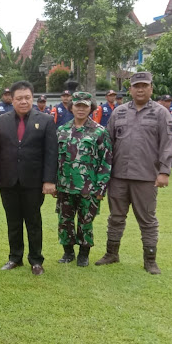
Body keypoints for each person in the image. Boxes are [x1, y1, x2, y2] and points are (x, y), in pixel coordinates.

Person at [95, 72, 172, 274]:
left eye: (144, 86)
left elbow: (168, 143)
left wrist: (164, 172)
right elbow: (108, 142)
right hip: (119, 176)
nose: (140, 89)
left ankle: (150, 260)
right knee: (115, 217)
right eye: (136, 86)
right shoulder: (119, 112)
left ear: (151, 88)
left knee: (147, 220)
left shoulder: (161, 113)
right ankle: (112, 253)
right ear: (130, 89)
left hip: (146, 177)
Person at [0, 81, 58, 276]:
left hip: (34, 182)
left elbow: (51, 153)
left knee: (33, 220)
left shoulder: (45, 120)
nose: (23, 101)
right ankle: (14, 258)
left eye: (27, 98)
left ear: (32, 98)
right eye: (19, 98)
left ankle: (36, 260)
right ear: (13, 99)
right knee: (13, 221)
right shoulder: (1, 121)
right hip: (8, 180)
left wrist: (49, 180)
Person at [56, 92, 112, 267]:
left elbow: (106, 161)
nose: (81, 109)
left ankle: (84, 253)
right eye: (77, 105)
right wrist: (53, 183)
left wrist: (101, 188)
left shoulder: (99, 132)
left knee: (85, 221)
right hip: (65, 185)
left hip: (89, 186)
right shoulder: (62, 130)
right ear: (71, 107)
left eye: (85, 106)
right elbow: (54, 159)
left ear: (91, 108)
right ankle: (68, 252)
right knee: (64, 220)